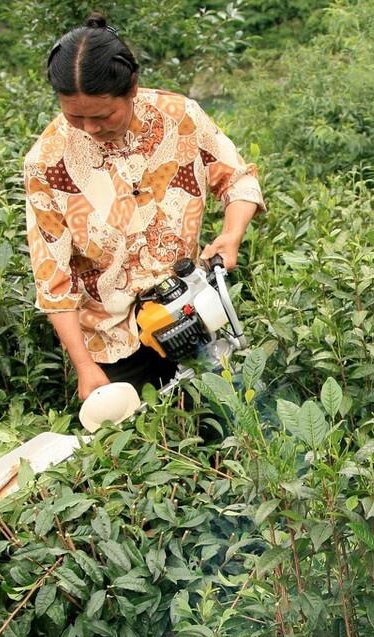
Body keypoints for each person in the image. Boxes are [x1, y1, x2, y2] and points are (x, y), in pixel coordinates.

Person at [25, 13, 265, 400]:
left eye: (103, 116)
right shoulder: (48, 163)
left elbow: (237, 178)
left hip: (191, 311)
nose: (89, 128)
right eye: (75, 116)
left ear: (132, 88)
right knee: (146, 451)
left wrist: (231, 235)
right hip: (114, 345)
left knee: (240, 422)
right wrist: (85, 368)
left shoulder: (180, 118)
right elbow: (53, 279)